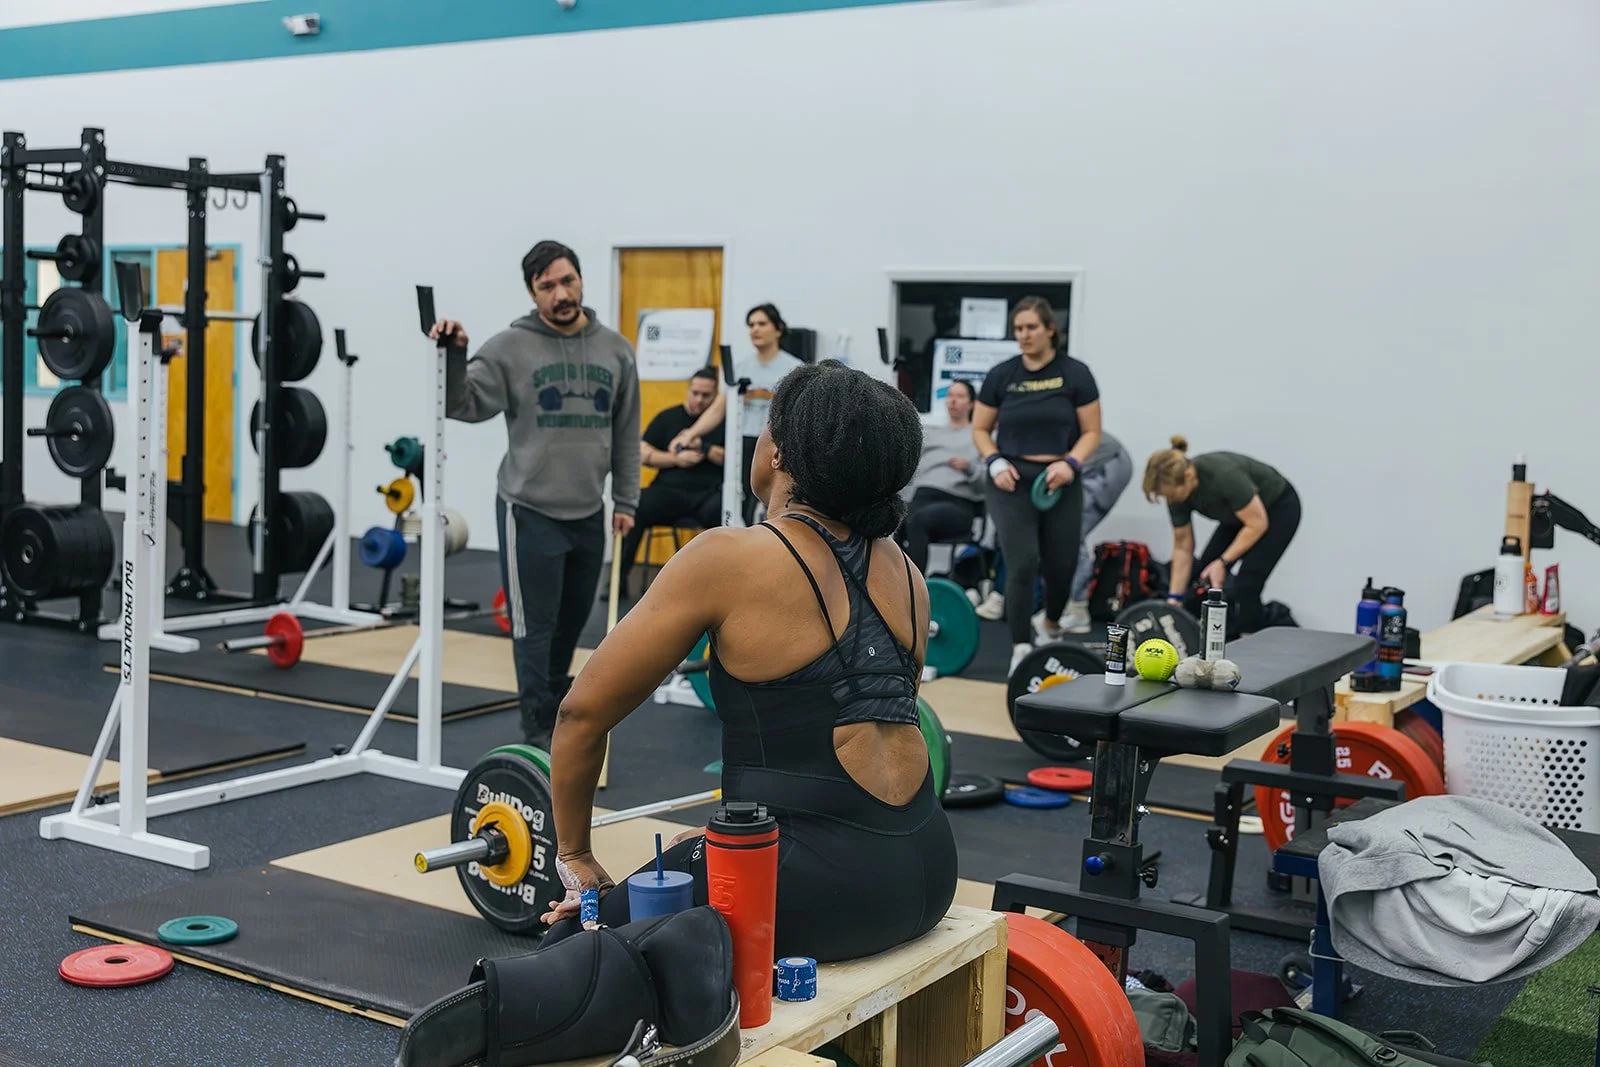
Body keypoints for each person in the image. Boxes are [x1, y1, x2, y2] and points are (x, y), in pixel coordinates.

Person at [542, 360, 958, 963]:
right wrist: (715, 842)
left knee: (568, 939)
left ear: (779, 453)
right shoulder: (909, 573)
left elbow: (579, 715)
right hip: (927, 870)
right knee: (691, 854)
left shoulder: (726, 557)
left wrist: (577, 858)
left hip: (818, 896)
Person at [430, 239, 640, 750]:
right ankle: (536, 731)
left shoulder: (615, 350)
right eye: (547, 286)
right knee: (534, 628)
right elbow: (461, 403)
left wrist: (626, 501)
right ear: (532, 292)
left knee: (572, 622)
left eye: (567, 281)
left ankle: (553, 709)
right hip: (528, 509)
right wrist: (454, 354)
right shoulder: (509, 347)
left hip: (589, 509)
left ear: (582, 281)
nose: (560, 293)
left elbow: (626, 430)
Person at [972, 297, 1102, 672]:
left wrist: (1071, 463)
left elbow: (1092, 432)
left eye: (1031, 327)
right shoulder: (1002, 375)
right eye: (1018, 329)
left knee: (1061, 566)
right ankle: (1019, 650)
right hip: (1010, 481)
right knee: (1023, 561)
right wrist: (994, 461)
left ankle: (1049, 626)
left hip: (1059, 479)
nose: (1024, 335)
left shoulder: (1075, 374)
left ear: (1049, 330)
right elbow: (981, 429)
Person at [1143, 435, 1301, 637]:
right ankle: (1219, 637)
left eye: (1172, 495)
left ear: (1189, 476)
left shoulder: (1223, 476)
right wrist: (1174, 599)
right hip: (1238, 517)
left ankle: (1252, 638)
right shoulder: (1176, 492)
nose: (1170, 500)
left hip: (1277, 509)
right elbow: (1183, 547)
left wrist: (1223, 562)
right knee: (1203, 577)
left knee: (1247, 584)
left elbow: (1257, 523)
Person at [669, 303, 804, 524]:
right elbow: (718, 409)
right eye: (751, 325)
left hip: (777, 446)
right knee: (739, 505)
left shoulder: (794, 369)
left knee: (775, 505)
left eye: (762, 324)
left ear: (778, 329)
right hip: (743, 446)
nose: (755, 330)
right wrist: (690, 434)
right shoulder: (740, 368)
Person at [616, 366, 726, 592]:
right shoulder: (668, 417)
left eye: (706, 396)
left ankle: (718, 588)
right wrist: (675, 459)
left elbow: (731, 458)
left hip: (707, 495)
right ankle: (619, 579)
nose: (699, 400)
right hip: (668, 492)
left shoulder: (722, 422)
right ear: (688, 390)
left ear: (716, 397)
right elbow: (643, 452)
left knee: (726, 514)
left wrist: (704, 447)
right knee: (635, 506)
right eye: (695, 393)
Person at [898, 379, 983, 576]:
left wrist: (970, 468)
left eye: (960, 396)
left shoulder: (979, 437)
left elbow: (986, 485)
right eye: (950, 395)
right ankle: (890, 586)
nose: (953, 401)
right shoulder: (931, 436)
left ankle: (915, 588)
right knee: (893, 521)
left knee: (916, 520)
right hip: (921, 498)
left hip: (955, 503)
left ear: (971, 404)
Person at [1060, 432, 1133, 632]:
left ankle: (1077, 609)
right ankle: (1061, 606)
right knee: (1060, 535)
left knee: (1070, 536)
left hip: (1108, 464)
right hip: (1093, 463)